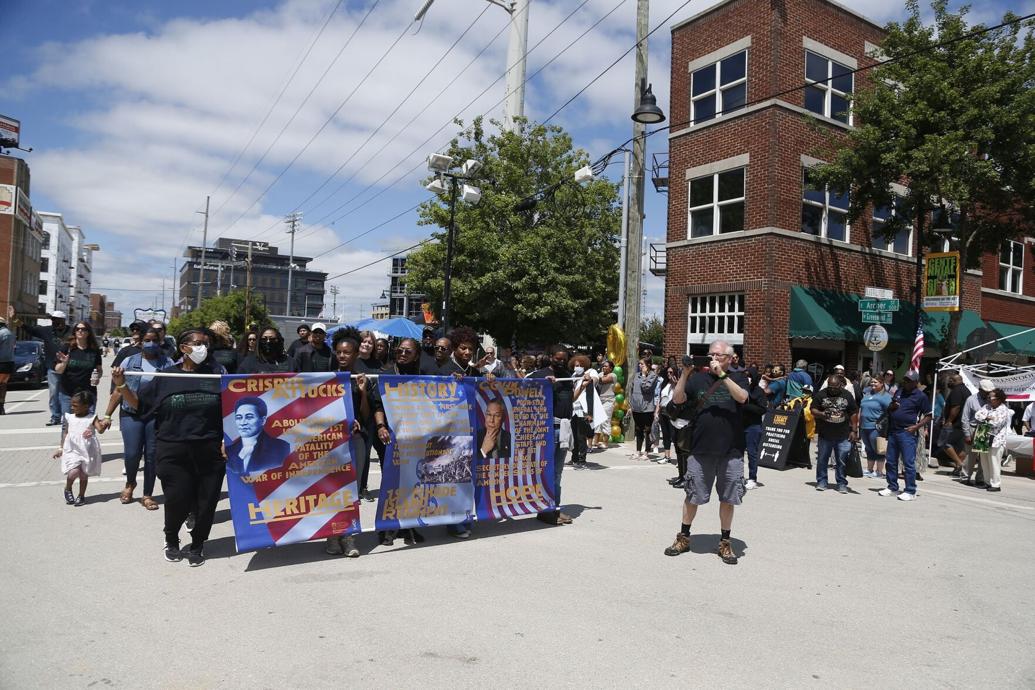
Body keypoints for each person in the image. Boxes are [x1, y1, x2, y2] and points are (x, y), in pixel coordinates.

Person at [112, 329, 225, 566]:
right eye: (198, 343)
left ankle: (198, 544)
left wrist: (227, 440)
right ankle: (171, 539)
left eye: (206, 344)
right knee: (178, 499)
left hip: (210, 450)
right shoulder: (165, 377)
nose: (203, 348)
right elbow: (140, 405)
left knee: (206, 502)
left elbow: (230, 410)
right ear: (184, 348)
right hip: (173, 449)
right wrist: (121, 385)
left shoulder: (216, 375)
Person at [663, 340, 749, 565]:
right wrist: (685, 374)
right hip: (700, 449)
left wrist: (722, 375)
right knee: (692, 495)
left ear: (730, 358)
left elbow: (742, 397)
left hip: (731, 450)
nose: (714, 358)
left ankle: (725, 541)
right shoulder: (698, 379)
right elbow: (678, 399)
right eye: (711, 354)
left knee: (728, 497)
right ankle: (683, 537)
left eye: (719, 355)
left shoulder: (738, 377)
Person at [327, 326, 391, 554]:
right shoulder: (326, 375)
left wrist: (363, 392)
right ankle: (332, 536)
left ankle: (348, 537)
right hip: (330, 442)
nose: (342, 356)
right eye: (339, 352)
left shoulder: (360, 377)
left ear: (355, 355)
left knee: (351, 490)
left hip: (357, 438)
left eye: (346, 353)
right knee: (332, 489)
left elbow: (366, 414)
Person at [99, 327, 173, 509]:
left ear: (160, 342)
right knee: (132, 454)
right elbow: (118, 390)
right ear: (141, 342)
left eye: (155, 340)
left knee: (151, 455)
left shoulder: (167, 363)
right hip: (131, 414)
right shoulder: (129, 361)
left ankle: (147, 494)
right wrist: (107, 415)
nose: (151, 344)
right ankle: (130, 484)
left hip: (156, 415)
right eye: (147, 340)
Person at [528, 345, 575, 526]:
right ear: (550, 357)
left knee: (557, 472)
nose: (561, 361)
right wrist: (544, 385)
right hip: (547, 428)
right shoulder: (540, 375)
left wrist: (584, 385)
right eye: (558, 358)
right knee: (546, 471)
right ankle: (546, 510)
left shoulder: (568, 375)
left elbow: (570, 399)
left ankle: (553, 508)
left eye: (564, 359)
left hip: (563, 428)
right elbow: (526, 388)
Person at [9, 305, 72, 425]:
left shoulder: (71, 331)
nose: (53, 321)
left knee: (66, 393)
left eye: (55, 319)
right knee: (54, 393)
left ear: (63, 320)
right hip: (53, 367)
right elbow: (29, 329)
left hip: (69, 368)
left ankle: (68, 417)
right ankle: (55, 417)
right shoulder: (47, 330)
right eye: (52, 319)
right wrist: (15, 319)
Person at [878, 371, 931, 501]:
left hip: (907, 432)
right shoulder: (899, 391)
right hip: (893, 431)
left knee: (908, 463)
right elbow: (890, 408)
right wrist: (892, 406)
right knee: (890, 461)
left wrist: (916, 427)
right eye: (905, 380)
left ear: (915, 382)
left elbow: (929, 416)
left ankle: (910, 490)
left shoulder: (921, 396)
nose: (906, 382)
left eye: (909, 380)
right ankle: (892, 487)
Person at [54, 389, 106, 506]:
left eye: (75, 405)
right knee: (73, 472)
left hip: (87, 450)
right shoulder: (70, 417)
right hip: (72, 449)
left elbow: (100, 430)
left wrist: (105, 423)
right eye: (72, 404)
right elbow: (65, 433)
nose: (72, 407)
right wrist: (60, 448)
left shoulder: (92, 417)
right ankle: (68, 488)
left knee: (83, 474)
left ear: (86, 406)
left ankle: (81, 495)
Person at [811, 374, 859, 494]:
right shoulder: (821, 394)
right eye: (830, 387)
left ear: (840, 385)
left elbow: (853, 412)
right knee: (822, 459)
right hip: (825, 433)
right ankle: (822, 481)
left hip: (843, 434)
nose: (832, 389)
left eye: (835, 387)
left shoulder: (847, 395)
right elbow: (813, 409)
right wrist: (822, 414)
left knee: (841, 460)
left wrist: (854, 430)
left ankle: (841, 483)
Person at [225, 397, 292, 476]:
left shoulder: (281, 448)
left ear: (263, 420)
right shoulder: (228, 452)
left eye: (249, 417)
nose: (243, 422)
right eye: (239, 417)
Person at [54, 321, 103, 415]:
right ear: (75, 332)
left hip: (88, 393)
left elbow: (99, 370)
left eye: (83, 329)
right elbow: (58, 370)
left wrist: (97, 377)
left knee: (87, 424)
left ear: (88, 332)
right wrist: (64, 363)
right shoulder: (67, 348)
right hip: (68, 393)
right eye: (78, 329)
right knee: (68, 424)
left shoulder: (94, 350)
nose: (80, 331)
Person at [973, 387, 1012, 493]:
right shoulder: (986, 406)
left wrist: (985, 419)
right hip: (982, 437)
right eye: (989, 396)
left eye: (991, 397)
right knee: (984, 461)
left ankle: (996, 484)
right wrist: (987, 418)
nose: (989, 398)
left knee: (994, 462)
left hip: (996, 440)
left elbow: (996, 424)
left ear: (999, 399)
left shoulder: (1004, 410)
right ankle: (987, 482)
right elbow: (977, 415)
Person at [960, 379, 992, 485]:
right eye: (986, 391)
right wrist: (967, 434)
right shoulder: (971, 400)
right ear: (980, 390)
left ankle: (980, 478)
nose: (988, 393)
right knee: (971, 455)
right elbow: (965, 418)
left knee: (983, 456)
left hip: (985, 429)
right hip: (972, 428)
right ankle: (965, 477)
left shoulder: (991, 400)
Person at [859, 378, 891, 479]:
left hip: (876, 427)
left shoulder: (885, 397)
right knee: (869, 449)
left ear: (882, 384)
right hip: (864, 426)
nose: (873, 383)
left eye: (875, 382)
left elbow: (890, 411)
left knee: (878, 449)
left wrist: (883, 424)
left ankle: (879, 471)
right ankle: (869, 469)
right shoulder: (867, 395)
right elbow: (861, 408)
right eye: (872, 382)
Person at [940, 373, 971, 476]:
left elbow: (956, 408)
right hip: (963, 424)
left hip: (955, 423)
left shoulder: (956, 391)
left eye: (951, 380)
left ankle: (959, 464)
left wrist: (949, 421)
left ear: (956, 381)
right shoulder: (966, 390)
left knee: (944, 443)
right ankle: (958, 468)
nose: (949, 382)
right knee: (961, 447)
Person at [568, 355, 596, 467]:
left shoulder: (590, 372)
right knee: (573, 435)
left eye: (580, 366)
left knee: (581, 436)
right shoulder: (574, 376)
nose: (577, 367)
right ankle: (574, 457)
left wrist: (590, 413)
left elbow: (595, 380)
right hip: (573, 409)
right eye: (576, 366)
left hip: (583, 409)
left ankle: (582, 459)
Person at [742, 370, 767, 490]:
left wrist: (746, 406)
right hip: (739, 425)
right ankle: (738, 476)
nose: (747, 379)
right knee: (737, 453)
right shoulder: (739, 389)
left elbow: (762, 409)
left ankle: (752, 478)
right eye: (745, 376)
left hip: (753, 426)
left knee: (752, 453)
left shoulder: (759, 392)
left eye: (749, 376)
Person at [629, 358, 658, 460]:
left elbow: (646, 388)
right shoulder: (637, 375)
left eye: (642, 364)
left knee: (647, 430)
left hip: (647, 408)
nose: (640, 366)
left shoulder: (653, 376)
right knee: (638, 429)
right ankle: (637, 451)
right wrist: (630, 404)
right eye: (640, 364)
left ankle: (646, 452)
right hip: (636, 407)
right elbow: (632, 389)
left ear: (648, 365)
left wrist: (645, 376)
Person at [594, 360, 617, 449]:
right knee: (597, 421)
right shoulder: (599, 374)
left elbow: (602, 381)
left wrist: (593, 375)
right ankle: (595, 442)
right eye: (603, 366)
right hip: (599, 400)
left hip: (608, 401)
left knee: (605, 421)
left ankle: (605, 443)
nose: (604, 367)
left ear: (611, 368)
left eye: (606, 366)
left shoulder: (613, 375)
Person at [0, 313, 13, 414]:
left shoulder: (1, 333)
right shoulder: (10, 333)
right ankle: (1, 406)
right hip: (9, 362)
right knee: (3, 385)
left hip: (1, 362)